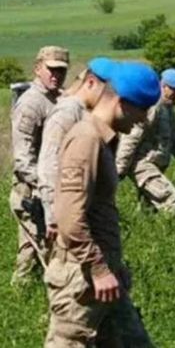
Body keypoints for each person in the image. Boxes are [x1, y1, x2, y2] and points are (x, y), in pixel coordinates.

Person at [45, 61, 160, 347]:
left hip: (105, 275)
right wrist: (98, 269)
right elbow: (69, 216)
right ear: (120, 102)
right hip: (80, 279)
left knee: (134, 341)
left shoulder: (104, 139)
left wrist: (111, 268)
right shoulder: (86, 139)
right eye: (142, 110)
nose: (144, 120)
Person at [37, 58, 117, 253]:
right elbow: (49, 163)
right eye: (107, 92)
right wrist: (54, 216)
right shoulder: (68, 111)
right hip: (64, 212)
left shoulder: (86, 112)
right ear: (90, 83)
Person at [9, 46, 69, 286]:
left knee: (42, 248)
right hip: (31, 192)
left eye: (61, 71)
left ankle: (30, 294)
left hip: (51, 189)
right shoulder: (31, 104)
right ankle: (21, 298)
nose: (56, 75)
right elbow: (23, 159)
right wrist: (48, 184)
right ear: (37, 69)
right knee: (37, 250)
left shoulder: (58, 99)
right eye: (51, 70)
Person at [116, 68, 175, 213]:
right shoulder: (152, 107)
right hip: (142, 164)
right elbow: (132, 137)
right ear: (163, 86)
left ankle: (144, 231)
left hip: (155, 165)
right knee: (170, 200)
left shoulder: (168, 108)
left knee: (148, 210)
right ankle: (174, 232)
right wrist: (120, 168)